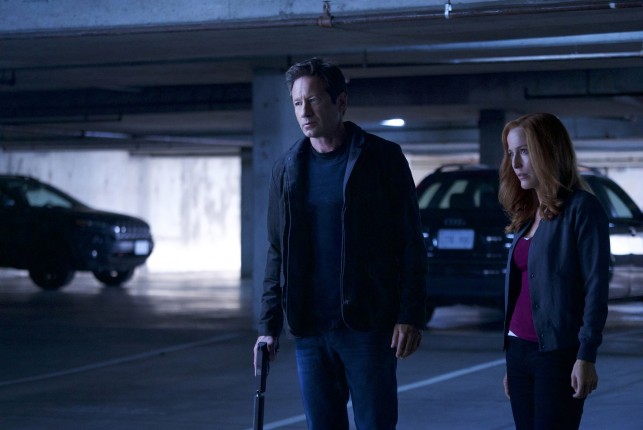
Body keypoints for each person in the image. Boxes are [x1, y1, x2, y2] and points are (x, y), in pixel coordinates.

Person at [253, 57, 428, 430]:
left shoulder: (382, 159)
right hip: (310, 330)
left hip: (367, 325)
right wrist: (268, 325)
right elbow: (277, 250)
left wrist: (409, 315)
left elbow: (410, 242)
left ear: (341, 102)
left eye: (314, 100)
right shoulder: (287, 168)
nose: (305, 112)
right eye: (297, 103)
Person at [498, 112, 610, 430]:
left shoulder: (582, 209)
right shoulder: (526, 212)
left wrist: (586, 355)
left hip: (558, 354)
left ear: (549, 151)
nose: (515, 163)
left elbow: (596, 287)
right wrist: (514, 363)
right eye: (510, 153)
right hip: (518, 351)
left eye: (524, 151)